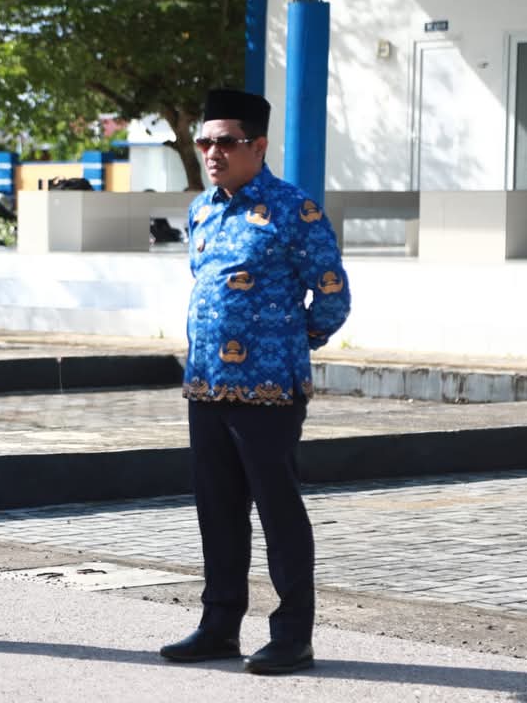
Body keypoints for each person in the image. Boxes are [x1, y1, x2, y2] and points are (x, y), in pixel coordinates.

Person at [159, 89, 350, 674]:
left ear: (258, 146)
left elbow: (332, 296)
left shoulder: (295, 210)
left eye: (226, 142)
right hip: (206, 386)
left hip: (269, 390)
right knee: (217, 511)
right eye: (204, 142)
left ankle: (293, 635)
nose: (212, 153)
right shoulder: (202, 209)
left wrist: (288, 342)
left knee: (277, 511)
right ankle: (219, 626)